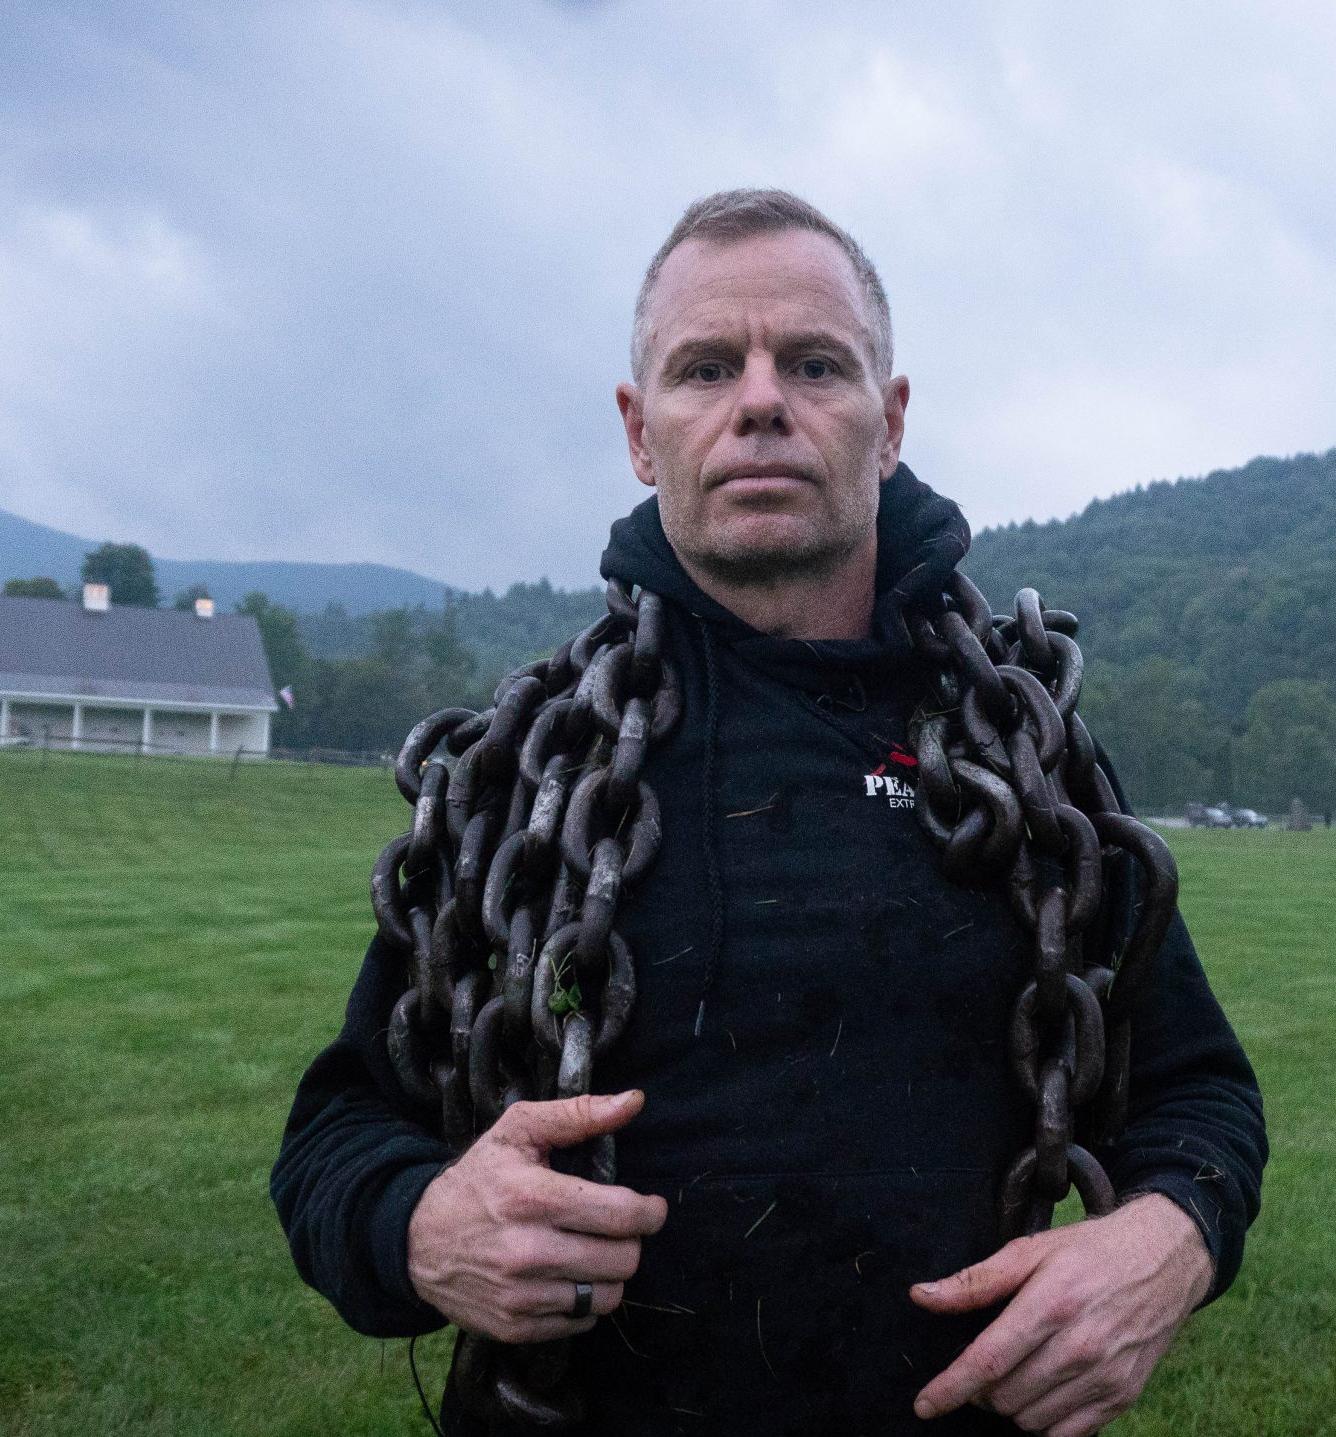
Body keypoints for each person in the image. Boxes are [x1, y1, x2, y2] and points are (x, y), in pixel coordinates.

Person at [272, 189, 1267, 1437]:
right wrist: (418, 1225)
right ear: (642, 434)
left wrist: (1169, 1243)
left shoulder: (1017, 757)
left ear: (889, 422)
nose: (759, 402)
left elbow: (1199, 1098)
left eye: (813, 363)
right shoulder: (532, 776)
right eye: (703, 369)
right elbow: (340, 1131)